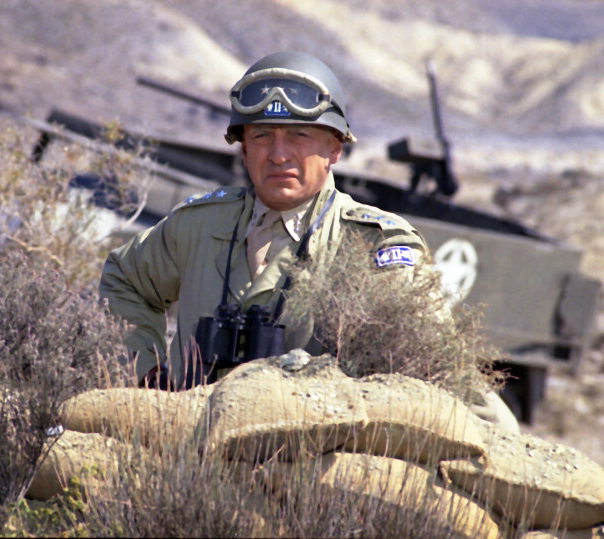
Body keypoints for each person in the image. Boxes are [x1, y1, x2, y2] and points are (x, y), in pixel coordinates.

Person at [99, 51, 427, 389]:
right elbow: (123, 280)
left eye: (299, 135)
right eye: (262, 136)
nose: (279, 155)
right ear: (244, 150)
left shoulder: (375, 244)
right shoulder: (198, 226)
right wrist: (148, 373)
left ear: (334, 149)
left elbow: (417, 357)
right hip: (188, 422)